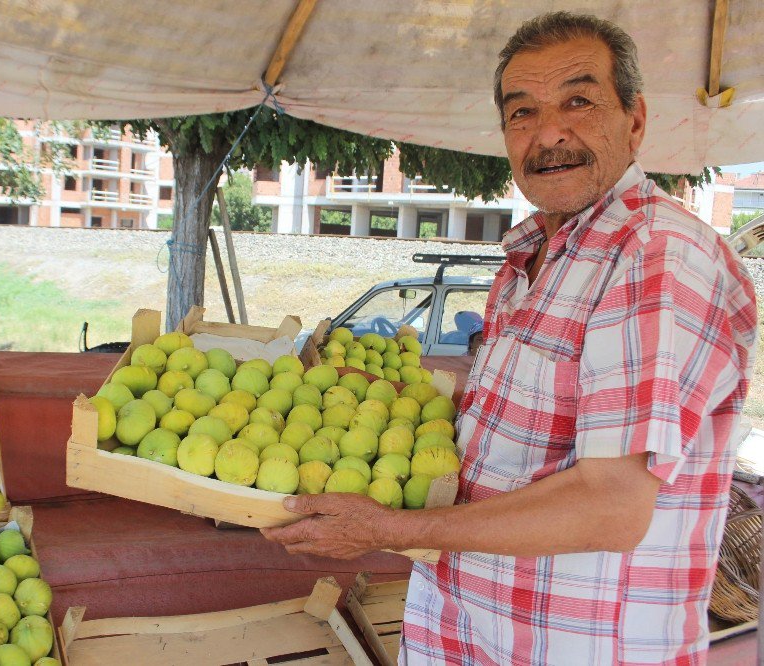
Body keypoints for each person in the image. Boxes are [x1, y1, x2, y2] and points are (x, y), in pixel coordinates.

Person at [262, 11, 758, 664]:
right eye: (522, 112)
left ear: (634, 121)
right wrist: (380, 397)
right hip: (469, 632)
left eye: (578, 102)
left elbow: (611, 506)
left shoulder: (655, 258)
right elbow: (526, 413)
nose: (548, 133)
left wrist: (390, 529)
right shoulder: (531, 257)